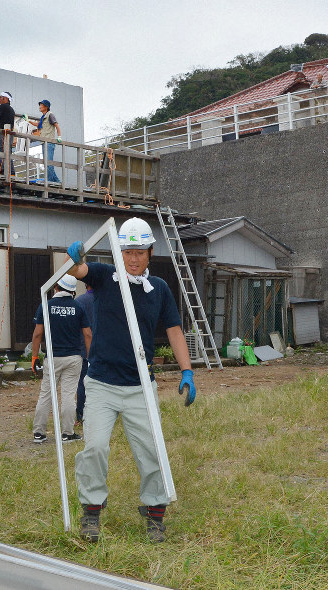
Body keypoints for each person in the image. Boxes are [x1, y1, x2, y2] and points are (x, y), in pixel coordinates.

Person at [66, 217, 197, 543]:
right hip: (101, 384)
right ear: (119, 252)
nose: (134, 258)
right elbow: (78, 271)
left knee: (152, 451)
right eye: (127, 252)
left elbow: (174, 330)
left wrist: (187, 371)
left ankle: (155, 513)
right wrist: (75, 258)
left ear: (150, 252)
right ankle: (91, 510)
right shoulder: (105, 276)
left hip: (141, 387)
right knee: (95, 447)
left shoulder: (159, 289)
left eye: (140, 252)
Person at [31, 274, 91, 444]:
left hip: (53, 357)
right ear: (73, 291)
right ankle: (67, 433)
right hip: (73, 357)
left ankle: (39, 433)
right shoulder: (78, 307)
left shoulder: (46, 305)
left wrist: (34, 356)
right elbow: (87, 334)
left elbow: (37, 334)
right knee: (68, 395)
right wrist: (90, 357)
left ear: (56, 287)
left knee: (46, 394)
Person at [75, 283, 95, 424]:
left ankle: (81, 414)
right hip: (104, 347)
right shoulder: (105, 299)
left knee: (82, 382)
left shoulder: (79, 302)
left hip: (83, 347)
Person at [32, 99, 62, 183]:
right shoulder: (43, 117)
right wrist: (28, 120)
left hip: (49, 142)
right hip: (44, 142)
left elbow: (57, 125)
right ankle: (55, 181)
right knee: (47, 163)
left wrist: (59, 136)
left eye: (41, 105)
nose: (40, 107)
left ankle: (52, 180)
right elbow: (37, 125)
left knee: (48, 163)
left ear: (46, 107)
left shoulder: (50, 115)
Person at [0, 92, 15, 174]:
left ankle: (4, 171)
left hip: (2, 133)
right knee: (8, 152)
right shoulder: (11, 110)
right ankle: (11, 172)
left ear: (5, 98)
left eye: (1, 97)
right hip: (10, 134)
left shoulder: (3, 106)